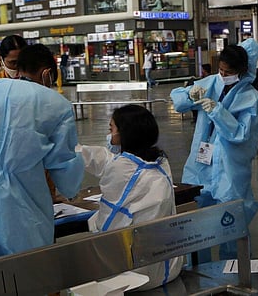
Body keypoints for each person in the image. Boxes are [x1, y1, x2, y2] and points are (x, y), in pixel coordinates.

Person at [0, 45, 84, 262]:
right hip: (23, 201)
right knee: (30, 268)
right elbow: (64, 163)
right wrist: (71, 188)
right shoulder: (55, 104)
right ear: (47, 73)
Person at [170, 38, 258, 260]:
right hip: (200, 165)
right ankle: (197, 269)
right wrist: (187, 95)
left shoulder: (252, 98)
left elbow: (240, 134)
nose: (223, 75)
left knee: (230, 223)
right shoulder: (210, 83)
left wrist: (217, 110)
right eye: (220, 69)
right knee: (196, 223)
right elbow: (178, 101)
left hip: (230, 169)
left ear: (241, 70)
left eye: (228, 71)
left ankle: (233, 272)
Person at [78, 104, 183, 290]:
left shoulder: (122, 168)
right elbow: (107, 161)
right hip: (169, 266)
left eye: (111, 129)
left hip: (137, 274)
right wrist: (78, 151)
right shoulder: (159, 162)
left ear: (125, 133)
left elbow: (108, 223)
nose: (109, 135)